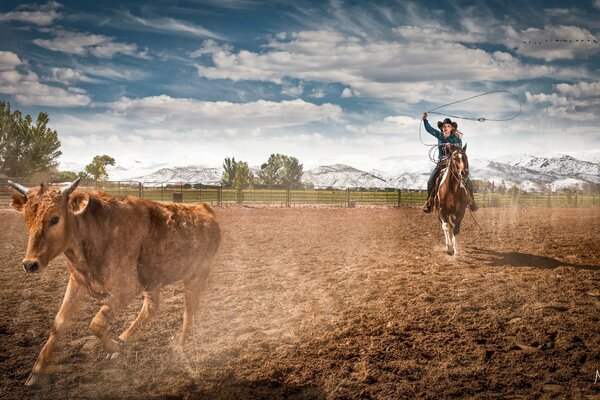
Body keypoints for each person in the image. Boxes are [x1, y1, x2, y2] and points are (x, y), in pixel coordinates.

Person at [421, 112, 478, 213]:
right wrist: (425, 120)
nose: (446, 128)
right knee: (431, 181)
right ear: (442, 128)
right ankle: (429, 202)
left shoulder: (456, 138)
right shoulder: (439, 135)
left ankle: (472, 201)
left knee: (467, 180)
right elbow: (430, 129)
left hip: (453, 164)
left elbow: (459, 150)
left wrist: (450, 146)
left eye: (448, 126)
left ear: (452, 128)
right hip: (441, 163)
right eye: (444, 126)